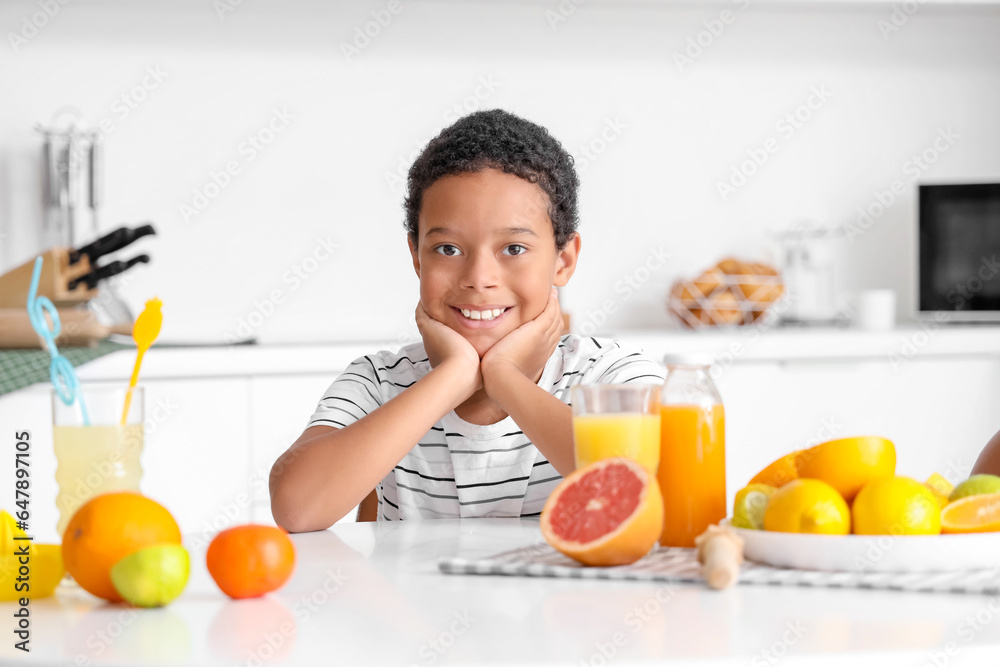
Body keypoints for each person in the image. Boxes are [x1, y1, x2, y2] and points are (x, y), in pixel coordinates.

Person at [269, 109, 665, 531]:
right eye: (448, 250)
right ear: (416, 257)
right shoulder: (380, 381)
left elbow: (649, 498)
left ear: (563, 260)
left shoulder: (613, 377)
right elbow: (296, 508)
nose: (479, 279)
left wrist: (505, 379)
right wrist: (454, 376)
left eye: (513, 249)